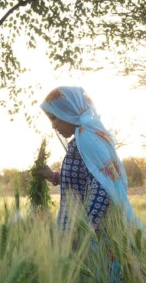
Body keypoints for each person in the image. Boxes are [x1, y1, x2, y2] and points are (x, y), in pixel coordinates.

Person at [34, 86, 139, 234]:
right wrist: (53, 176)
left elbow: (102, 190)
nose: (53, 126)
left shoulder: (85, 138)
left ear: (68, 110)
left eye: (54, 117)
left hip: (88, 238)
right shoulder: (82, 139)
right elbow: (85, 179)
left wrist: (80, 233)